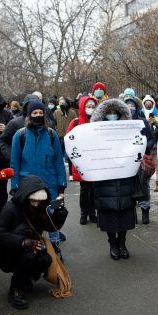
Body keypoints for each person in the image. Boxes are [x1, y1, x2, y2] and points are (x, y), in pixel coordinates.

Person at [0, 175, 55, 309]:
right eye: (33, 200)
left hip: (30, 247)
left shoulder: (38, 207)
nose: (36, 204)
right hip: (7, 251)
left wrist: (60, 213)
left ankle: (25, 279)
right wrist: (23, 242)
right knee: (28, 257)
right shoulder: (10, 208)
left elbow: (51, 227)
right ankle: (15, 290)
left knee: (45, 259)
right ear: (26, 196)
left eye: (39, 201)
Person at [11, 99, 66, 246]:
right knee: (30, 219)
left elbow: (59, 162)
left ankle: (54, 246)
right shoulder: (20, 135)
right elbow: (14, 164)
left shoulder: (51, 135)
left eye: (41, 112)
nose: (38, 115)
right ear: (29, 115)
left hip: (50, 185)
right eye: (34, 113)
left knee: (51, 215)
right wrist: (15, 186)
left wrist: (61, 186)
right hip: (27, 186)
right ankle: (35, 247)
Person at [89, 99, 139, 259]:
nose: (112, 116)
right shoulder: (94, 132)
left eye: (114, 113)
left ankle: (122, 243)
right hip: (105, 178)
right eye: (108, 113)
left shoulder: (128, 131)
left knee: (124, 210)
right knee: (108, 211)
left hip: (125, 175)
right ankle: (112, 243)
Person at [125, 96, 156, 223]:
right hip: (127, 160)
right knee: (129, 186)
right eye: (127, 105)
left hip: (143, 159)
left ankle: (145, 211)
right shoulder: (121, 123)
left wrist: (143, 147)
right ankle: (131, 213)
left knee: (144, 185)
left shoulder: (143, 122)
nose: (130, 108)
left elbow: (151, 139)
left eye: (132, 105)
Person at [67, 96, 98, 225]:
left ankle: (93, 213)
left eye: (93, 107)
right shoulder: (75, 122)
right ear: (82, 107)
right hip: (82, 161)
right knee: (85, 189)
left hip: (95, 160)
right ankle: (84, 213)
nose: (90, 109)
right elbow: (69, 141)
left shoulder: (98, 121)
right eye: (88, 107)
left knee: (95, 189)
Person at [0, 94, 36, 163]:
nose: (33, 107)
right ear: (25, 106)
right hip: (21, 166)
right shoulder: (14, 123)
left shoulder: (45, 124)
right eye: (30, 105)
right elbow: (3, 141)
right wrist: (12, 157)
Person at [141, 94, 158, 193]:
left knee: (157, 163)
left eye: (150, 104)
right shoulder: (141, 113)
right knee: (144, 164)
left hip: (155, 141)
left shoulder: (157, 112)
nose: (148, 105)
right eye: (147, 104)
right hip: (144, 143)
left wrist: (156, 122)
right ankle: (143, 184)